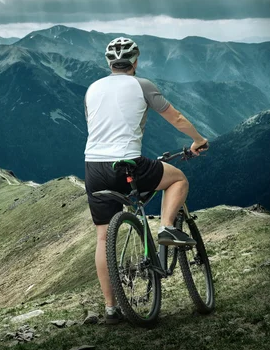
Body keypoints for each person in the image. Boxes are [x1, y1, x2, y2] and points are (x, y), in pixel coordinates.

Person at [84, 37, 209, 324]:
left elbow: (98, 126)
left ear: (109, 63)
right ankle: (166, 228)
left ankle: (111, 310)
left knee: (103, 238)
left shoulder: (92, 89)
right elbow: (175, 117)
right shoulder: (142, 85)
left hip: (93, 166)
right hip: (128, 162)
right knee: (178, 180)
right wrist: (198, 140)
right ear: (136, 62)